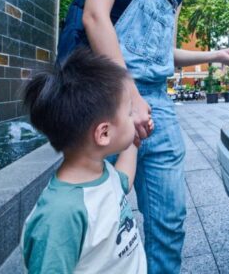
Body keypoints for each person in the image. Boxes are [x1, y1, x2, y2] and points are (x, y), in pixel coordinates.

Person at [56, 0, 229, 273]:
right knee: (95, 214)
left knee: (169, 220)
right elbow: (95, 18)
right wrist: (130, 95)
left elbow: (163, 53)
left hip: (156, 107)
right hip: (103, 100)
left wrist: (216, 56)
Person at [21, 48, 147, 274]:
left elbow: (123, 181)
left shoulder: (100, 172)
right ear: (103, 134)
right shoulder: (60, 215)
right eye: (129, 114)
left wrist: (134, 142)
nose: (134, 117)